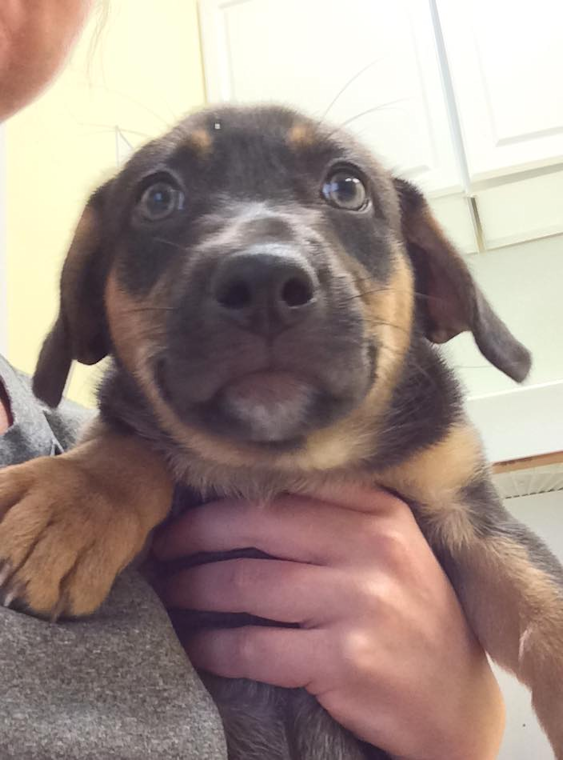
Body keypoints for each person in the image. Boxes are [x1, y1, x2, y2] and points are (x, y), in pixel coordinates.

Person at [0, 2, 505, 758]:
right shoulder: (97, 462)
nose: (264, 269)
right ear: (89, 304)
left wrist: (460, 726)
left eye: (344, 190)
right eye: (161, 200)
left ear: (433, 285)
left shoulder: (57, 436)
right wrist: (114, 474)